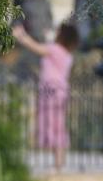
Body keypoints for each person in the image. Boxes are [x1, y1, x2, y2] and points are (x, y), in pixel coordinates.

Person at [12, 21, 79, 173]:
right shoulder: (68, 55)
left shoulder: (55, 49)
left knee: (50, 124)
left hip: (50, 92)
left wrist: (21, 35)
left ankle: (57, 163)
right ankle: (59, 163)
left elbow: (35, 47)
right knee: (58, 125)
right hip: (60, 91)